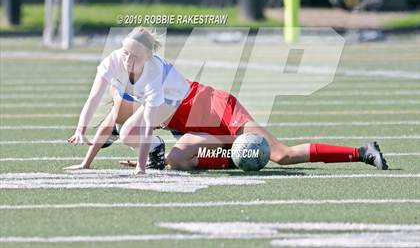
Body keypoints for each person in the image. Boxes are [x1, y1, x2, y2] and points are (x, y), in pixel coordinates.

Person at [66, 28, 388, 174]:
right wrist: (149, 155)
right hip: (195, 128)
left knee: (283, 155)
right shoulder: (126, 85)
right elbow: (118, 123)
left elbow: (120, 122)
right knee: (179, 160)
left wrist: (140, 153)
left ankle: (360, 152)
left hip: (217, 108)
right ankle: (238, 153)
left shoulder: (145, 76)